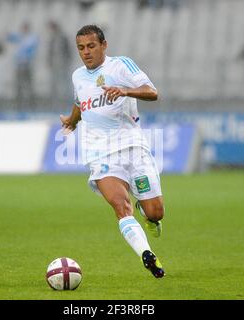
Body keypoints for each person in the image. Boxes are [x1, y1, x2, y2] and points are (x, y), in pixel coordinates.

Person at [60, 25, 165, 278]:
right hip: (99, 154)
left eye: (91, 46)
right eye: (81, 48)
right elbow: (79, 103)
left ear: (104, 45)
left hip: (132, 147)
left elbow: (153, 92)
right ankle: (147, 255)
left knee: (155, 211)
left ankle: (148, 216)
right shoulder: (77, 76)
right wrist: (73, 121)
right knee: (120, 205)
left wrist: (126, 90)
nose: (86, 52)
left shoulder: (121, 66)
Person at [7, 23, 39, 110]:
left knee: (29, 85)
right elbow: (9, 38)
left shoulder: (31, 39)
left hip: (27, 65)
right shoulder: (20, 37)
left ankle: (32, 104)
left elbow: (31, 50)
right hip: (19, 65)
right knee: (19, 85)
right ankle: (19, 104)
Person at [48, 21, 71, 107]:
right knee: (54, 83)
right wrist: (49, 61)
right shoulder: (52, 39)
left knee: (64, 82)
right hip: (55, 64)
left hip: (63, 63)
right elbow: (50, 52)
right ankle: (55, 102)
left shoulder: (63, 38)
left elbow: (68, 50)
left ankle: (66, 100)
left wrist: (67, 61)